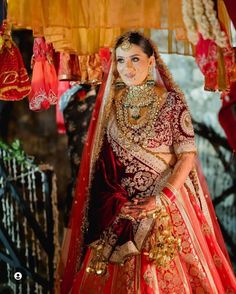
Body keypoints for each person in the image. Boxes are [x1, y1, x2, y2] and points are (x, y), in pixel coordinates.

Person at [56, 31, 236, 294]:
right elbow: (106, 167)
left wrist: (162, 198)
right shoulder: (111, 107)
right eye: (120, 60)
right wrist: (118, 203)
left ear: (151, 61)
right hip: (125, 210)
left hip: (168, 207)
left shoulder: (171, 102)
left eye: (135, 59)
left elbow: (187, 157)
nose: (127, 68)